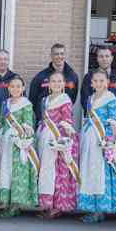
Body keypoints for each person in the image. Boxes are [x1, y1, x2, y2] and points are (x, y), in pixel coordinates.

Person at [78, 69, 116, 223]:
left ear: (107, 83)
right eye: (95, 81)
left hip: (103, 139)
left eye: (101, 81)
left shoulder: (110, 97)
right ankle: (92, 207)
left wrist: (112, 141)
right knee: (90, 172)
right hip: (90, 139)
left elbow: (113, 119)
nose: (98, 83)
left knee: (102, 174)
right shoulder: (90, 98)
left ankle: (101, 209)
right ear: (91, 83)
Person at [36, 72, 79, 219]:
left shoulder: (65, 100)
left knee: (56, 172)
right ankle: (46, 204)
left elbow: (68, 121)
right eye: (53, 81)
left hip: (57, 138)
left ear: (63, 84)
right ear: (49, 84)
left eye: (59, 81)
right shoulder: (45, 100)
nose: (56, 83)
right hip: (44, 137)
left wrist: (62, 140)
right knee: (45, 171)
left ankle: (57, 206)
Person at [0, 76, 39, 218]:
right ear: (8, 88)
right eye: (12, 86)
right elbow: (1, 120)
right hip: (5, 142)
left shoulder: (26, 104)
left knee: (15, 174)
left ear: (23, 88)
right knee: (5, 173)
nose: (15, 89)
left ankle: (15, 205)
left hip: (17, 143)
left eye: (18, 86)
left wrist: (21, 130)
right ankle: (6, 203)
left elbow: (28, 123)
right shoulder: (5, 104)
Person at [29, 43, 79, 122]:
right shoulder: (40, 77)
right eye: (56, 54)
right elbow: (33, 99)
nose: (59, 56)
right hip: (45, 122)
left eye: (62, 54)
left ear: (65, 55)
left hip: (64, 122)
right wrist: (41, 115)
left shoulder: (72, 76)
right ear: (51, 56)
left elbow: (72, 98)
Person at [80, 46, 116, 118]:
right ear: (97, 58)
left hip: (114, 123)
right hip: (95, 122)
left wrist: (115, 118)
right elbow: (85, 99)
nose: (104, 59)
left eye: (107, 56)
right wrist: (96, 117)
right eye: (101, 56)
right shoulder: (89, 77)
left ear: (111, 58)